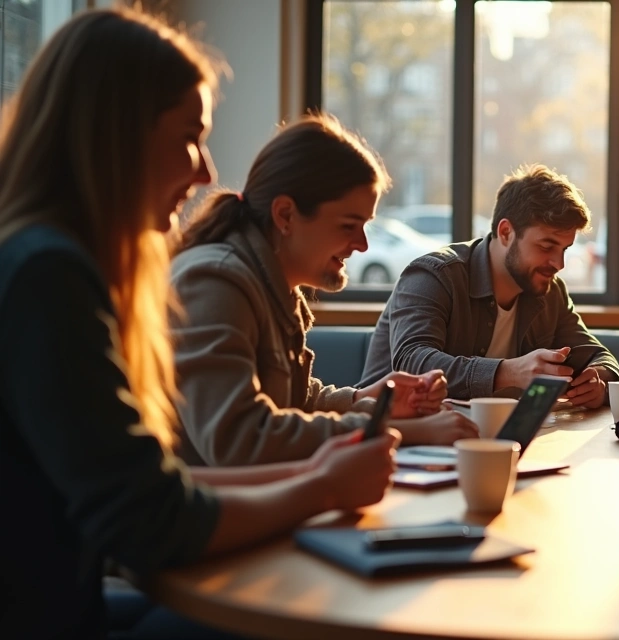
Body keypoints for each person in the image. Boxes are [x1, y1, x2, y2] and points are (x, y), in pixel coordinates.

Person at [0, 9, 398, 637]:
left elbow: (155, 482)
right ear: (115, 134)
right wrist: (321, 488)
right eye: (191, 137)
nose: (208, 173)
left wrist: (321, 470)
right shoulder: (47, 276)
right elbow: (152, 522)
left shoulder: (44, 262)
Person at [173, 115, 476, 467]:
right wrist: (405, 431)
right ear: (285, 215)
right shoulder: (215, 282)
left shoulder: (274, 287)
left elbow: (295, 402)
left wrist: (370, 401)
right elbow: (241, 438)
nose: (362, 245)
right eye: (349, 225)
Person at [359, 164, 619, 404]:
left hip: (489, 432)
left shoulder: (549, 291)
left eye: (564, 249)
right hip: (392, 429)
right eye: (546, 246)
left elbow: (600, 357)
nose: (558, 264)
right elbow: (412, 361)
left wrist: (596, 380)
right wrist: (508, 372)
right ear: (506, 232)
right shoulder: (434, 275)